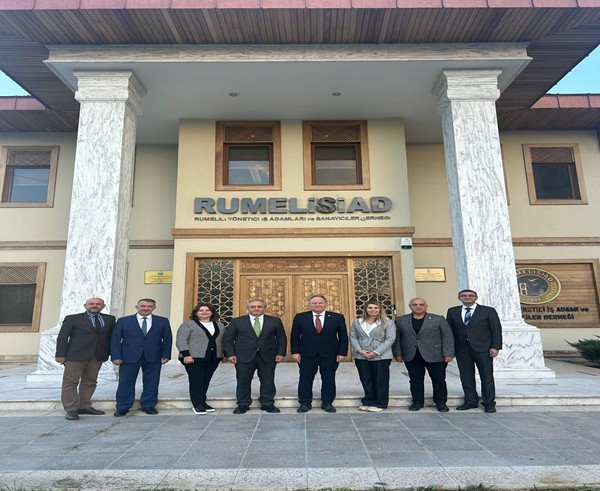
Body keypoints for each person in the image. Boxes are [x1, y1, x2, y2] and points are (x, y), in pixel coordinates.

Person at [55, 298, 116, 421]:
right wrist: (60, 354)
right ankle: (71, 409)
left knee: (90, 382)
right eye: (91, 304)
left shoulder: (110, 319)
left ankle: (84, 406)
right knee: (70, 382)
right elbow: (62, 337)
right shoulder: (73, 318)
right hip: (75, 355)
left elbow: (111, 337)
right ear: (85, 305)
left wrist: (111, 353)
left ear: (103, 306)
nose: (94, 306)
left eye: (98, 304)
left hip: (97, 356)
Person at [222, 299, 287, 414]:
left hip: (268, 356)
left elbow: (282, 338)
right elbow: (228, 339)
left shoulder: (274, 321)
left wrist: (280, 353)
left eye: (259, 306)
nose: (256, 309)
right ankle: (243, 404)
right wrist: (230, 354)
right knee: (243, 381)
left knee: (268, 380)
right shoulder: (237, 321)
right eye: (253, 307)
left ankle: (267, 403)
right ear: (248, 308)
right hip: (243, 356)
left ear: (264, 308)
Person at [110, 298, 172, 416]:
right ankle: (123, 407)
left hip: (154, 356)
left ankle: (148, 405)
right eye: (143, 306)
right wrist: (116, 356)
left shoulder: (162, 321)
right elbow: (115, 339)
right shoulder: (123, 321)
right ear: (137, 307)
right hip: (128, 356)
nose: (146, 308)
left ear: (154, 308)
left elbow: (167, 339)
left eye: (150, 306)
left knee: (152, 382)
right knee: (125, 382)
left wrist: (166, 354)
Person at [393, 298, 454, 412]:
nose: (418, 307)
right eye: (415, 304)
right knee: (415, 380)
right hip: (412, 355)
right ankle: (417, 402)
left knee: (439, 380)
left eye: (421, 304)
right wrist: (397, 353)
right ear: (410, 306)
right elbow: (397, 338)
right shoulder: (401, 320)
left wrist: (448, 353)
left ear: (426, 306)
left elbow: (447, 337)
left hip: (435, 355)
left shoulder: (438, 319)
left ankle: (441, 403)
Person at [446, 289, 502, 413]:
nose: (467, 297)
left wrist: (495, 346)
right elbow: (449, 331)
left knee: (486, 376)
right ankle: (470, 401)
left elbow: (496, 329)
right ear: (459, 298)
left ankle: (489, 403)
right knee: (466, 376)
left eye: (471, 295)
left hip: (483, 348)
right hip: (462, 349)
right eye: (464, 295)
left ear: (476, 298)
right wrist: (450, 349)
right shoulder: (452, 311)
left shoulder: (488, 311)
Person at [290, 294, 348, 413]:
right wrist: (295, 352)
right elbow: (294, 336)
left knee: (328, 379)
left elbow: (343, 336)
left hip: (330, 353)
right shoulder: (300, 317)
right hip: (306, 354)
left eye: (320, 303)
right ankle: (305, 403)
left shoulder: (337, 317)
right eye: (314, 303)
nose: (317, 305)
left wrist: (342, 353)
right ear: (310, 304)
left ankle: (327, 403)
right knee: (305, 379)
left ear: (325, 304)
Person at [176, 302, 226, 415]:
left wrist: (225, 354)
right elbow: (181, 340)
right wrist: (186, 354)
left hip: (213, 357)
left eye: (207, 310)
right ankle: (197, 404)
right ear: (196, 313)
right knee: (196, 380)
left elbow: (223, 340)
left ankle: (202, 402)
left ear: (212, 312)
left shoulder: (220, 325)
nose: (204, 312)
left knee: (206, 380)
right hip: (193, 357)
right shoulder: (188, 324)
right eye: (201, 310)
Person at [349, 300, 396, 412]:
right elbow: (352, 337)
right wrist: (360, 350)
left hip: (381, 356)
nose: (373, 310)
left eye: (376, 308)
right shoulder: (357, 322)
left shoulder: (388, 322)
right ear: (365, 309)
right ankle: (368, 400)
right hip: (362, 355)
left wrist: (376, 352)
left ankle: (380, 403)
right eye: (370, 308)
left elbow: (390, 339)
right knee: (366, 379)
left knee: (380, 380)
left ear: (380, 309)